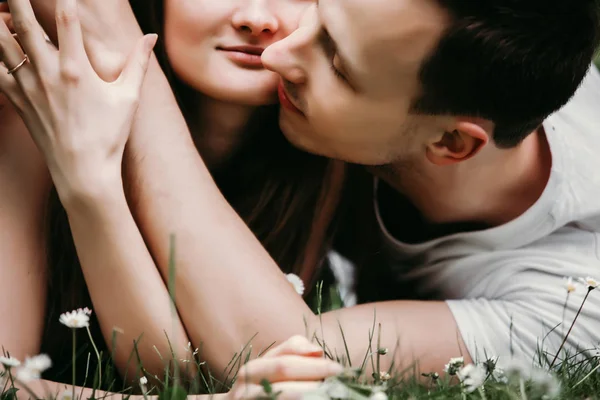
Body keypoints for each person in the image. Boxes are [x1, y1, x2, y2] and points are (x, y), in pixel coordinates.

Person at [22, 0, 600, 386]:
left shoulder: (570, 305)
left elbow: (276, 351)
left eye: (339, 66)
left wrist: (115, 43)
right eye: (318, 13)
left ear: (450, 141)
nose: (275, 54)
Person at [0, 0, 344, 391]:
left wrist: (93, 192)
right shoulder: (44, 105)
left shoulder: (315, 152)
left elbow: (177, 376)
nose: (257, 19)